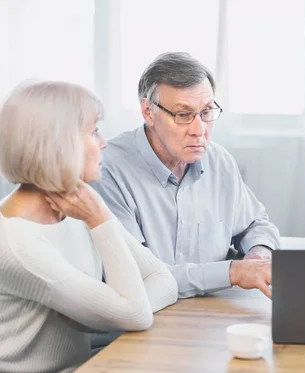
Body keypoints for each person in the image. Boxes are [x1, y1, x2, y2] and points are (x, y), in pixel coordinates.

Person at [0, 81, 178, 373]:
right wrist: (100, 222)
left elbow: (163, 279)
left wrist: (111, 314)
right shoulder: (18, 245)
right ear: (60, 142)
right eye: (94, 131)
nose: (104, 142)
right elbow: (136, 315)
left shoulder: (79, 199)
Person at [91, 52, 280, 299]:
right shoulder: (108, 169)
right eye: (183, 115)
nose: (199, 130)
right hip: (142, 323)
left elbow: (256, 224)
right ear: (148, 112)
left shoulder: (219, 161)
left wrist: (258, 255)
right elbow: (139, 277)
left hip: (210, 316)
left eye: (206, 112)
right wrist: (233, 272)